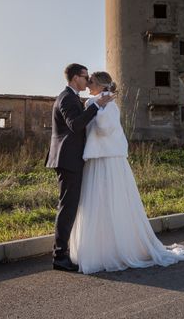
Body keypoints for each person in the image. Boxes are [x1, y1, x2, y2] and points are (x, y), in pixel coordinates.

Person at [69, 71, 184, 274]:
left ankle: (113, 249)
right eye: (88, 80)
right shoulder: (95, 101)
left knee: (111, 201)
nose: (88, 84)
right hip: (97, 159)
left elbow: (105, 128)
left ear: (103, 86)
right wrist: (95, 105)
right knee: (97, 203)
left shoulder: (108, 104)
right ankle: (100, 247)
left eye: (92, 81)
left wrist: (100, 105)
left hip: (109, 159)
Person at [45, 63, 115, 272]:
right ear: (76, 78)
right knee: (68, 207)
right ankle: (59, 257)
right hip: (68, 159)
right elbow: (75, 124)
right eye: (85, 77)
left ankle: (65, 252)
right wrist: (96, 105)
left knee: (71, 206)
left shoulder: (73, 97)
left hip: (72, 159)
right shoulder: (66, 98)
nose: (87, 81)